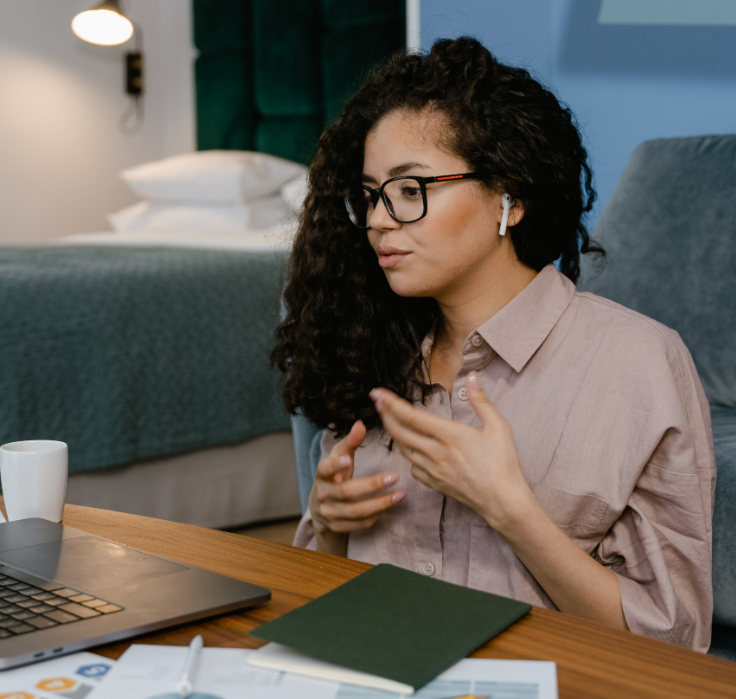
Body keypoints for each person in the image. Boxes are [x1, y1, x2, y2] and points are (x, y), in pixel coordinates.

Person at [271, 37, 714, 651]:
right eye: (372, 194)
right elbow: (321, 604)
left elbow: (672, 643)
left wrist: (509, 508)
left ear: (510, 196)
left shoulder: (636, 362)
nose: (377, 220)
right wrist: (329, 524)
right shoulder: (367, 348)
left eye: (410, 189)